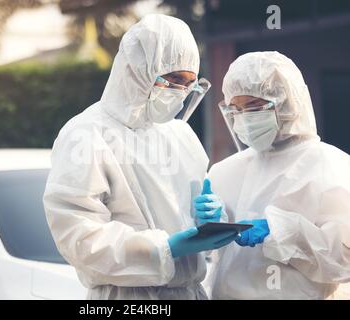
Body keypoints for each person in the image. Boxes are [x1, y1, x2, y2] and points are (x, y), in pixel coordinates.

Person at [42, 14, 238, 300]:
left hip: (189, 293)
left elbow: (197, 228)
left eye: (189, 83)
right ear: (139, 69)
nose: (181, 93)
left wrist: (209, 219)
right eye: (173, 80)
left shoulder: (180, 136)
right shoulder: (85, 134)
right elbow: (78, 237)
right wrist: (163, 248)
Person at [201, 51, 350, 299]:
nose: (244, 119)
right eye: (235, 109)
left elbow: (343, 259)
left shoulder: (332, 165)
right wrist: (204, 225)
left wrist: (281, 231)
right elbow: (207, 258)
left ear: (287, 102)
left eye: (253, 107)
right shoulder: (224, 171)